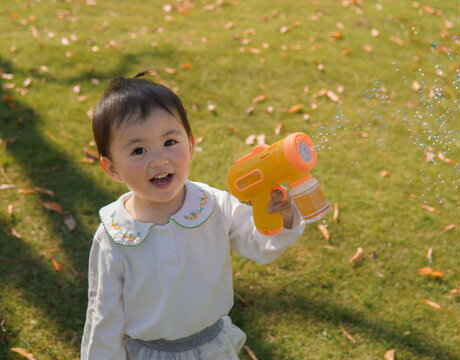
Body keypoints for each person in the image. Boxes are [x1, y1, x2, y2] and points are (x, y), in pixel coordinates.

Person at [81, 72, 305, 360]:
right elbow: (103, 316)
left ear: (190, 144)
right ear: (112, 168)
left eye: (170, 142)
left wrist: (280, 214)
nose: (159, 159)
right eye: (138, 150)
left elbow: (259, 241)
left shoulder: (211, 204)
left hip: (213, 347)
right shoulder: (115, 235)